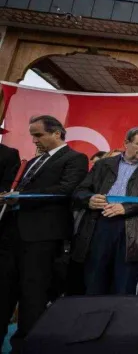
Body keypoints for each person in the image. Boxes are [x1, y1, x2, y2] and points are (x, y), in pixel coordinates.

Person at [0, 115, 88, 353]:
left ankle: (25, 347)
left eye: (38, 135)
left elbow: (66, 190)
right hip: (12, 234)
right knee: (4, 291)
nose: (34, 140)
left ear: (57, 133)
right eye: (32, 135)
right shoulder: (32, 161)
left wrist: (22, 198)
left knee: (33, 295)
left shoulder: (75, 159)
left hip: (42, 238)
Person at [72, 127, 138, 295]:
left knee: (124, 283)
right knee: (95, 279)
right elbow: (80, 191)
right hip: (99, 224)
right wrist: (89, 199)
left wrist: (125, 208)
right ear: (126, 143)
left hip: (133, 229)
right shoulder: (103, 164)